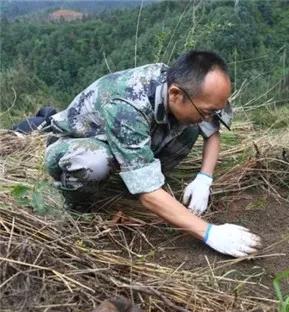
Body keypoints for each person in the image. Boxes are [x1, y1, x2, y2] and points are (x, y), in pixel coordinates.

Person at [44, 50, 261, 257]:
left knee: (192, 125)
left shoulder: (195, 91)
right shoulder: (128, 103)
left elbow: (212, 132)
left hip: (128, 142)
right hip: (75, 144)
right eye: (206, 112)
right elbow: (146, 189)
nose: (208, 117)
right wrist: (208, 232)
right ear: (176, 94)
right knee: (94, 162)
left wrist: (204, 178)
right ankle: (78, 206)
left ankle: (138, 183)